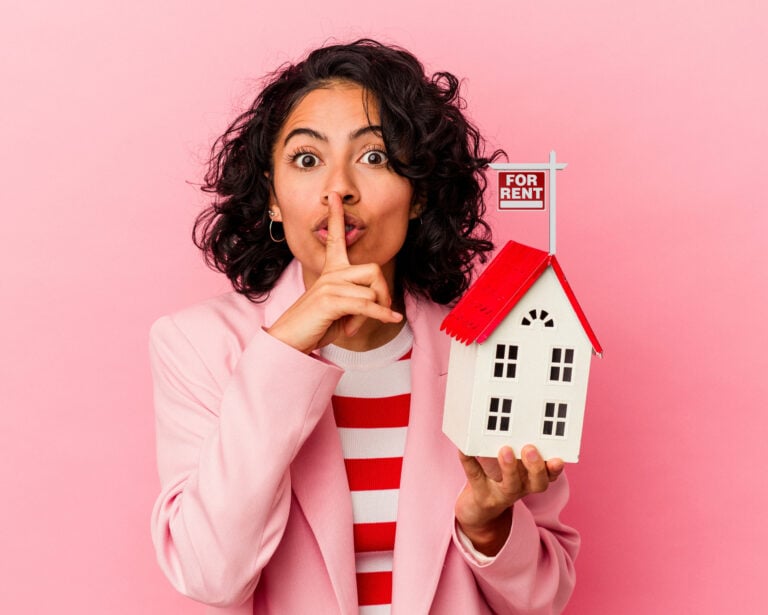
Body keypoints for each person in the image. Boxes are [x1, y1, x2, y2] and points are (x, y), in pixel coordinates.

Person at [149, 39, 579, 615]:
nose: (339, 187)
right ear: (273, 199)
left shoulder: (494, 347)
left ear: (419, 193)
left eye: (374, 157)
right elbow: (211, 575)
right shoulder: (198, 347)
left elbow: (546, 598)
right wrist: (283, 354)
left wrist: (489, 525)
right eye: (306, 159)